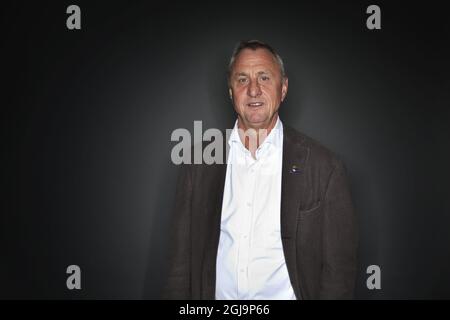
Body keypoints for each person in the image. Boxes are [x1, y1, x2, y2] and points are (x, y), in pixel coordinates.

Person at [163, 40, 358, 299]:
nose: (253, 90)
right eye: (242, 79)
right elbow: (179, 269)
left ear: (283, 88)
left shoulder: (325, 167)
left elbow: (339, 274)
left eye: (264, 77)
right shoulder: (199, 162)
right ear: (231, 91)